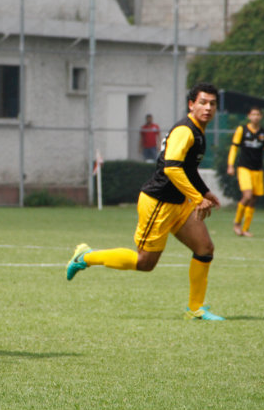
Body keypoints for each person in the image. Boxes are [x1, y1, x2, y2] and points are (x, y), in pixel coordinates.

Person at [66, 83, 225, 321]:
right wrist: (196, 198)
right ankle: (85, 257)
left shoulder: (198, 131)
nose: (208, 107)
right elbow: (172, 169)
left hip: (179, 203)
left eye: (212, 104)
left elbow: (187, 168)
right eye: (202, 102)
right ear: (191, 104)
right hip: (159, 202)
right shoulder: (186, 130)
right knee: (145, 262)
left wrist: (204, 191)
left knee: (205, 248)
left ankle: (195, 308)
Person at [227, 106, 264, 238]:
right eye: (253, 114)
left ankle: (245, 229)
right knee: (247, 195)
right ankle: (237, 223)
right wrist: (230, 165)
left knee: (253, 200)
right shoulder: (242, 130)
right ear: (249, 116)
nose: (255, 117)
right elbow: (234, 148)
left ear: (261, 116)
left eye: (258, 114)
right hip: (244, 168)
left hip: (258, 170)